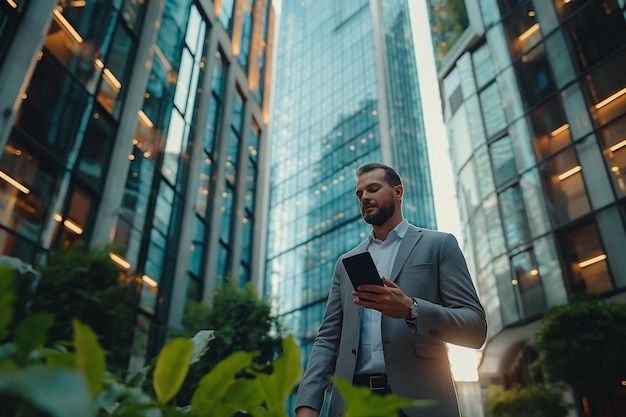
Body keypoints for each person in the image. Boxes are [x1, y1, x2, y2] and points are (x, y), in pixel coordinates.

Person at [294, 163, 487, 417]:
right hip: (354, 405)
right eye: (359, 194)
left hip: (420, 403)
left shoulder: (438, 244)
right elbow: (328, 339)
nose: (364, 197)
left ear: (398, 192)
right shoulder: (346, 262)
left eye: (373, 189)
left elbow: (475, 328)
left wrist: (412, 309)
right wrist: (307, 405)